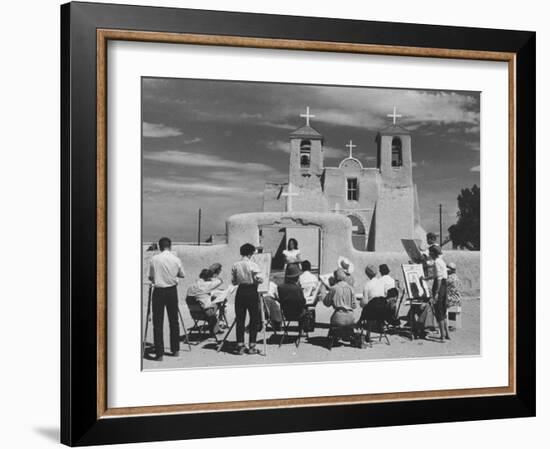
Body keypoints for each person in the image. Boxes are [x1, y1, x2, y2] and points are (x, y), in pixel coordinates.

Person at [147, 237, 185, 361]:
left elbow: (151, 276)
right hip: (172, 291)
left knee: (158, 323)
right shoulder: (176, 259)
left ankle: (159, 354)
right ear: (170, 246)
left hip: (158, 291)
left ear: (159, 246)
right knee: (174, 321)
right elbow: (182, 274)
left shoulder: (154, 259)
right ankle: (175, 350)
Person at [231, 243, 263, 355]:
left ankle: (240, 345)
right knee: (254, 319)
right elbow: (260, 279)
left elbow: (234, 281)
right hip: (251, 291)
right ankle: (252, 346)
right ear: (250, 253)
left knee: (240, 319)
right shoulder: (253, 265)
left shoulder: (235, 265)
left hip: (240, 291)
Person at [185, 268, 224, 336]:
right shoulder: (206, 285)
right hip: (205, 314)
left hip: (194, 313)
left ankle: (215, 327)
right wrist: (215, 275)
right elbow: (220, 281)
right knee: (220, 301)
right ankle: (217, 325)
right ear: (208, 278)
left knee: (205, 304)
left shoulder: (191, 286)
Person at [323, 268, 357, 343]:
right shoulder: (351, 288)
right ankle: (348, 335)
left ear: (335, 278)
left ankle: (334, 338)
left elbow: (326, 303)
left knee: (334, 319)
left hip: (338, 316)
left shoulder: (334, 288)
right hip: (350, 318)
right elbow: (354, 306)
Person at [428, 245, 450, 341]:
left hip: (439, 286)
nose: (429, 254)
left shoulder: (436, 262)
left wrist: (436, 293)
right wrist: (426, 278)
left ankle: (442, 336)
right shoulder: (441, 261)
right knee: (443, 312)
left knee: (439, 312)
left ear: (433, 253)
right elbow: (437, 275)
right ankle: (447, 334)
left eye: (430, 253)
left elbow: (439, 279)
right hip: (444, 287)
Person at [277, 265, 308, 330]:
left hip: (286, 314)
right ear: (296, 277)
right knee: (306, 310)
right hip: (298, 314)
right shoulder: (298, 289)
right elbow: (303, 302)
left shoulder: (280, 287)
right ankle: (301, 330)